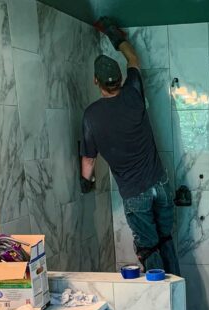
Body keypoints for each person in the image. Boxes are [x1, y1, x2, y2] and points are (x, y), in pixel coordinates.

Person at [80, 18, 180, 275]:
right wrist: (116, 36)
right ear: (120, 80)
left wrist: (86, 182)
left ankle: (162, 307)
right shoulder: (134, 92)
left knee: (149, 248)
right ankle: (177, 300)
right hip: (160, 185)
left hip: (136, 194)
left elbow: (89, 161)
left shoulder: (91, 116)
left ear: (96, 82)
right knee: (166, 240)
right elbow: (133, 59)